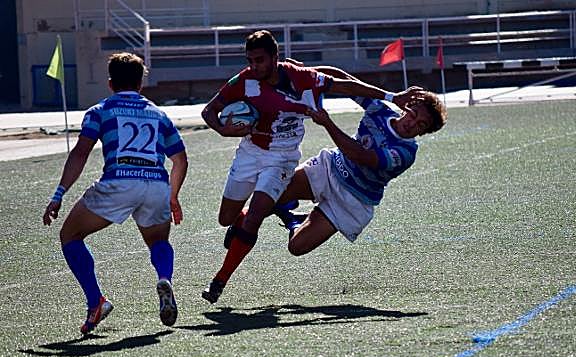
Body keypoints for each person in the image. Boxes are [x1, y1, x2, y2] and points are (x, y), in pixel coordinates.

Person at [200, 30, 421, 304]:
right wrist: (223, 129)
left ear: (275, 57)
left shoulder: (302, 79)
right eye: (250, 60)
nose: (254, 66)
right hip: (254, 153)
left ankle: (219, 280)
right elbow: (209, 111)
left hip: (287, 161)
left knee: (263, 221)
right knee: (227, 218)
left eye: (260, 60)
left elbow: (346, 92)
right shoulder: (244, 80)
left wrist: (389, 96)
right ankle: (266, 218)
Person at [42, 52, 188, 334]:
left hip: (119, 182)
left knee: (70, 236)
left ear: (110, 83)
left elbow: (81, 153)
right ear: (141, 84)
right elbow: (180, 160)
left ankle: (96, 302)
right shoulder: (159, 114)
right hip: (156, 184)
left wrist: (59, 194)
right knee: (158, 241)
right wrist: (172, 196)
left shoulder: (100, 111)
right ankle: (164, 278)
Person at [274, 66, 447, 255]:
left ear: (423, 132)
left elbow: (359, 155)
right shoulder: (378, 110)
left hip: (353, 200)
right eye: (413, 115)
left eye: (421, 124)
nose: (412, 124)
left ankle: (295, 221)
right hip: (330, 168)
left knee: (296, 247)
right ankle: (269, 212)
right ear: (406, 109)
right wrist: (302, 72)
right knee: (270, 195)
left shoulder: (405, 153)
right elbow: (341, 77)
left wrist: (327, 123)